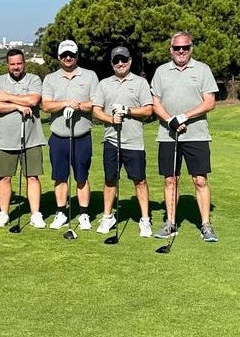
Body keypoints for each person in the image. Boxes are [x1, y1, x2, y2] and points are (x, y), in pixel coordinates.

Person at [150, 31, 219, 242]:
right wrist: (170, 119)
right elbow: (155, 103)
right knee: (171, 179)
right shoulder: (161, 71)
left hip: (196, 135)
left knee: (200, 180)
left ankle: (206, 225)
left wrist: (184, 116)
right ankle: (170, 223)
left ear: (191, 48)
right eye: (177, 48)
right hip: (168, 135)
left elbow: (210, 102)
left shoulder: (202, 69)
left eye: (185, 47)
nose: (181, 51)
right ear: (171, 49)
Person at [91, 46, 154, 237]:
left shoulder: (140, 83)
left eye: (124, 60)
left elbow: (148, 110)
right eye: (116, 60)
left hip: (134, 142)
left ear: (130, 61)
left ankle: (145, 220)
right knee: (110, 180)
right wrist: (111, 119)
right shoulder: (104, 84)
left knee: (140, 180)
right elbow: (96, 110)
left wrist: (127, 110)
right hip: (111, 141)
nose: (120, 63)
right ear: (112, 63)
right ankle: (108, 216)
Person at [41, 40, 98, 231]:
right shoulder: (50, 79)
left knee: (81, 176)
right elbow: (46, 105)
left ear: (77, 56)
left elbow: (95, 103)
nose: (68, 58)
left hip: (82, 136)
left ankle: (84, 214)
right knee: (60, 177)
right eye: (64, 55)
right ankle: (61, 212)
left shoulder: (89, 76)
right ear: (59, 57)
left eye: (71, 55)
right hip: (59, 136)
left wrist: (78, 106)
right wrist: (65, 103)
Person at [0, 49, 47, 228]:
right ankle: (4, 213)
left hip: (31, 138)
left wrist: (7, 97)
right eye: (12, 64)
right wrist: (17, 106)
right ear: (7, 65)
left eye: (19, 63)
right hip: (5, 139)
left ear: (24, 63)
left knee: (32, 177)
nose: (16, 67)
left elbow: (34, 100)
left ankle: (36, 214)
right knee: (4, 178)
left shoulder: (34, 79)